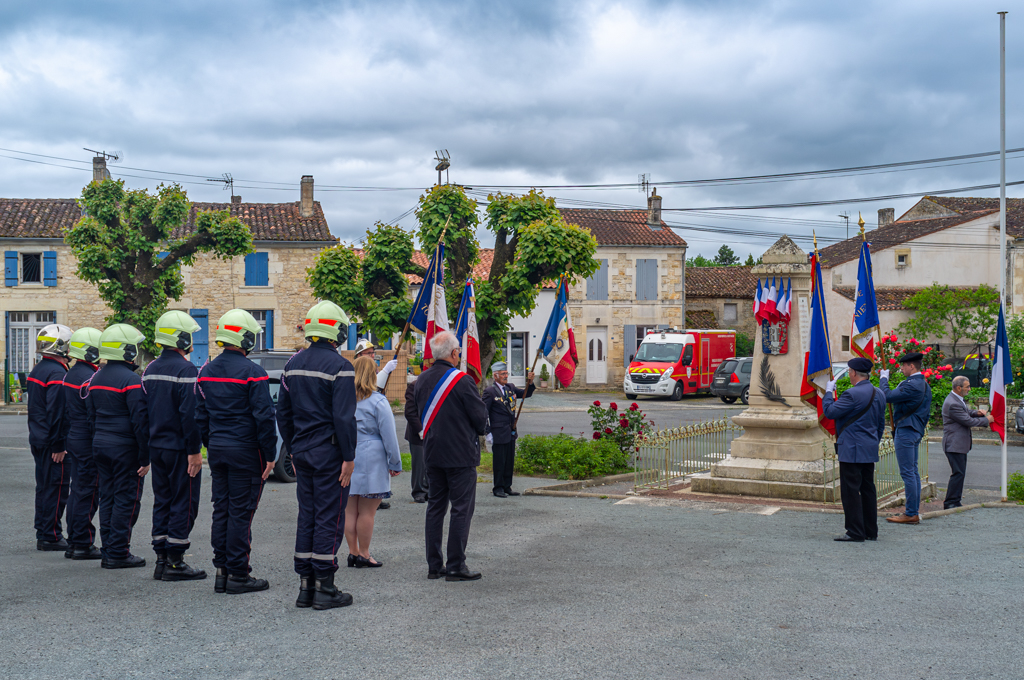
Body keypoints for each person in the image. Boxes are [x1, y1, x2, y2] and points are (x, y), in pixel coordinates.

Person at [276, 301, 357, 610]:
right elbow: (345, 418)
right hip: (330, 452)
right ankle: (325, 586)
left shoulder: (292, 364)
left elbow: (283, 413)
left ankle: (305, 586)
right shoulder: (340, 367)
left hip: (303, 451)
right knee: (329, 516)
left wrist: (293, 448)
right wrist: (348, 457)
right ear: (337, 331)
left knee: (307, 516)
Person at [196, 309, 277, 594]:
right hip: (245, 450)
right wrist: (269, 453)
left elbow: (200, 415)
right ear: (244, 337)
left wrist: (210, 443)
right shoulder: (253, 373)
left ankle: (222, 571)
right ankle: (239, 575)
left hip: (218, 448)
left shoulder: (205, 371)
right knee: (241, 513)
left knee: (222, 509)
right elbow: (264, 418)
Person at [412, 331, 488, 581]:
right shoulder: (462, 380)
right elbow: (479, 419)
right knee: (461, 509)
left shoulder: (421, 380)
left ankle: (434, 565)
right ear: (455, 353)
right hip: (460, 455)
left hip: (432, 453)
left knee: (435, 508)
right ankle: (456, 565)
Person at [143, 311, 205, 582]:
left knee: (163, 499)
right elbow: (189, 415)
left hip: (157, 446)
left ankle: (160, 558)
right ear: (180, 338)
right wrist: (195, 451)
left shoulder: (150, 369)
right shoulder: (186, 370)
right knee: (185, 501)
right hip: (180, 448)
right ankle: (176, 562)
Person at [86, 324, 151, 569]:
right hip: (125, 449)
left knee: (108, 497)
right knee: (126, 499)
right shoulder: (131, 380)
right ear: (126, 350)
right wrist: (145, 457)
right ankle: (119, 552)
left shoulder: (96, 377)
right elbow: (140, 422)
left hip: (101, 445)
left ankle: (108, 549)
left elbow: (90, 415)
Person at [346, 356, 402, 569]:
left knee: (350, 510)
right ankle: (364, 553)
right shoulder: (378, 401)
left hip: (349, 455)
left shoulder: (345, 399)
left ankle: (352, 552)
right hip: (373, 457)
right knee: (367, 511)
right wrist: (395, 462)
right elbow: (389, 435)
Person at [823, 357, 886, 542]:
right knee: (868, 489)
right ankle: (870, 530)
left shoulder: (851, 394)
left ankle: (855, 531)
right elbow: (880, 425)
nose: (849, 375)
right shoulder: (879, 393)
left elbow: (830, 412)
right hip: (869, 448)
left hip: (851, 449)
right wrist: (873, 441)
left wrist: (828, 393)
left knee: (851, 492)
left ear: (853, 373)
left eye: (849, 372)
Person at [27, 324, 73, 551]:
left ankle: (43, 530)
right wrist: (59, 444)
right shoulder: (57, 372)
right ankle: (51, 535)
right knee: (56, 487)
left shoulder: (38, 369)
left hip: (38, 437)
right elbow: (57, 411)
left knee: (44, 486)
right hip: (51, 440)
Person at [61, 327, 103, 560]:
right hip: (86, 440)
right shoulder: (89, 377)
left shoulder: (71, 373)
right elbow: (92, 414)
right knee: (88, 491)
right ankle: (82, 542)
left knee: (77, 489)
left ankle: (74, 539)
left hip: (73, 437)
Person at [880, 352, 932, 525]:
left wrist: (883, 379)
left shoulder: (913, 385)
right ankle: (912, 511)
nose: (901, 368)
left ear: (911, 366)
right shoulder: (923, 384)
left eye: (903, 365)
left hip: (907, 431)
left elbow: (885, 396)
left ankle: (911, 513)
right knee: (913, 471)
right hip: (914, 430)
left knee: (908, 473)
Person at [483, 361, 535, 498]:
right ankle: (498, 487)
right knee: (499, 461)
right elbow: (483, 413)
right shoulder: (489, 392)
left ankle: (507, 486)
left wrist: (530, 382)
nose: (506, 376)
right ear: (495, 376)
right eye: (503, 374)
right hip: (498, 433)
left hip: (511, 431)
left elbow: (525, 394)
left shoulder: (510, 388)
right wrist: (488, 432)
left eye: (506, 373)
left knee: (509, 461)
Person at [941, 376, 994, 509]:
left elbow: (966, 412)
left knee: (960, 473)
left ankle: (955, 501)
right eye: (967, 387)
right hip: (954, 444)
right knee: (958, 473)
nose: (969, 389)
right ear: (959, 388)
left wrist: (977, 413)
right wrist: (987, 420)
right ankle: (950, 503)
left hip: (957, 444)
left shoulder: (956, 399)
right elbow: (968, 421)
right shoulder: (952, 403)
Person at [404, 376, 428, 503]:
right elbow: (410, 412)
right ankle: (419, 491)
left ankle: (431, 489)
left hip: (435, 431)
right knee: (419, 464)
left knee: (433, 463)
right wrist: (420, 429)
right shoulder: (414, 385)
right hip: (417, 432)